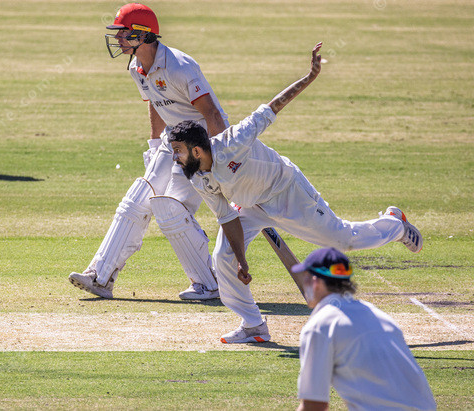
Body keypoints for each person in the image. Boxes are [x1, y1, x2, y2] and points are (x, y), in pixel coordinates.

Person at [168, 42, 424, 343]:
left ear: (197, 150)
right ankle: (253, 325)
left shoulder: (233, 141)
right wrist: (241, 261)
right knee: (223, 257)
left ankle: (394, 225)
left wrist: (309, 76)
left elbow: (272, 107)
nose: (175, 157)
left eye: (178, 150)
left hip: (287, 192)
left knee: (343, 239)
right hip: (250, 206)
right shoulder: (197, 176)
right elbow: (226, 217)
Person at [68, 3, 229, 300]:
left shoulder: (180, 66)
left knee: (170, 208)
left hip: (201, 142)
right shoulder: (136, 68)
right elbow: (155, 102)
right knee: (136, 199)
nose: (118, 38)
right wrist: (155, 146)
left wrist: (219, 158)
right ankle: (100, 276)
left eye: (123, 33)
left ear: (143, 35)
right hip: (172, 139)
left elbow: (212, 113)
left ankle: (209, 283)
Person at [293, 247, 436, 410]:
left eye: (305, 277)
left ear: (316, 282)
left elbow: (314, 405)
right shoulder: (378, 315)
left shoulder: (320, 325)